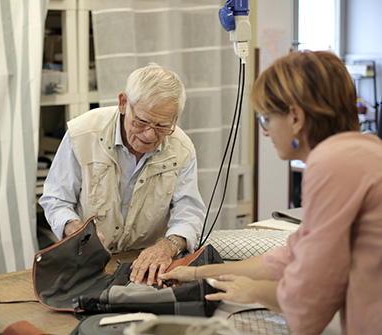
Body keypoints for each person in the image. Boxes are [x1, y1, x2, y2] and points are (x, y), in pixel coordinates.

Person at [160, 51, 382, 334]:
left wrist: (255, 291)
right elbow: (291, 256)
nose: (265, 132)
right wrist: (195, 273)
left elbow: (311, 298)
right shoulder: (365, 150)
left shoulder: (332, 163)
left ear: (296, 117)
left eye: (266, 118)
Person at [39, 63, 206, 286]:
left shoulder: (181, 148)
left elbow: (190, 211)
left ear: (174, 120)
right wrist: (77, 230)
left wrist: (167, 247)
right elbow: (56, 199)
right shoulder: (82, 134)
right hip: (86, 263)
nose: (149, 135)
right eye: (142, 121)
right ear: (124, 103)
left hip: (145, 265)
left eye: (162, 126)